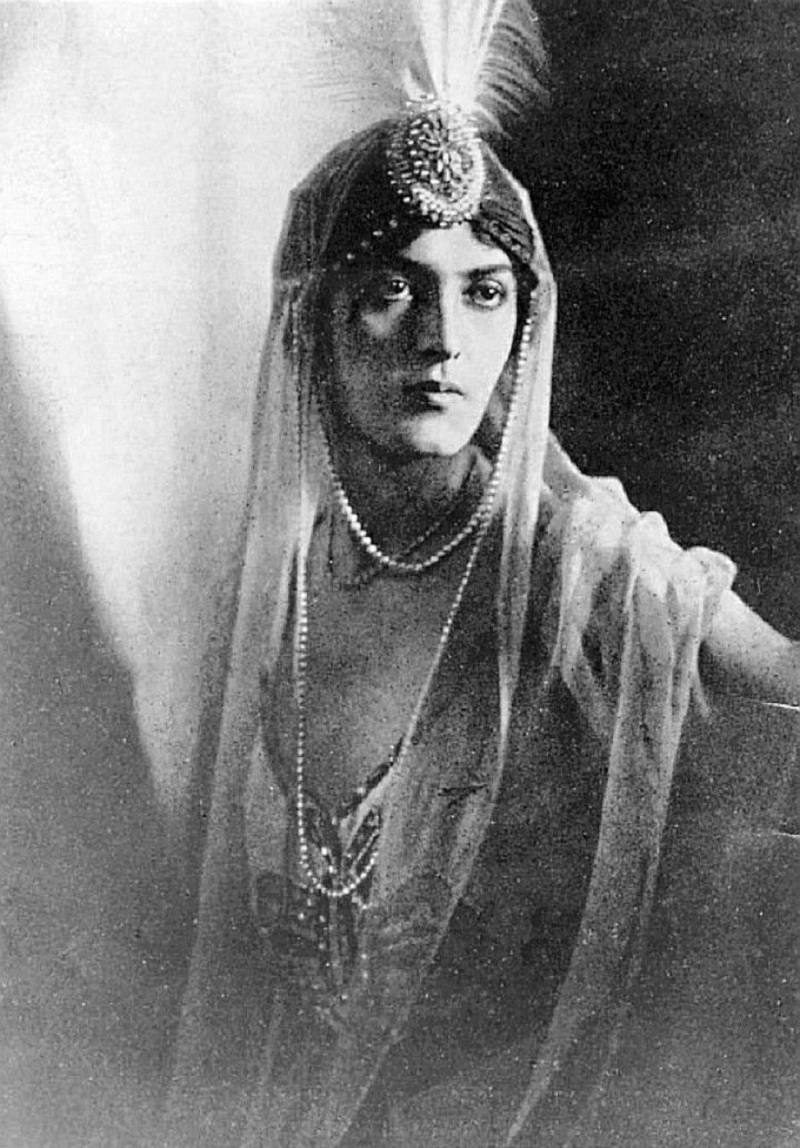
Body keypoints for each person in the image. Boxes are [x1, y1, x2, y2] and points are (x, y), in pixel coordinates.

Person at [166, 3, 800, 1145]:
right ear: (311, 324)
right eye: (391, 287)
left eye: (483, 289)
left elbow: (786, 691)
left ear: (521, 323)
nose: (442, 339)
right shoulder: (270, 592)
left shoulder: (589, 568)